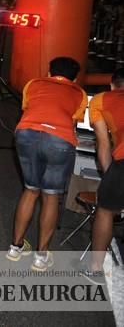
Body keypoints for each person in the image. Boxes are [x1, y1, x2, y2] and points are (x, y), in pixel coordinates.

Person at [6, 57, 87, 271]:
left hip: (26, 133)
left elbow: (27, 108)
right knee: (51, 195)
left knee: (31, 190)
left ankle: (15, 248)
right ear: (75, 77)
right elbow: (74, 121)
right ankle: (40, 258)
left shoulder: (33, 83)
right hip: (59, 139)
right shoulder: (79, 93)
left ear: (49, 72)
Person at [85, 68, 124, 284]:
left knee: (105, 210)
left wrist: (110, 175)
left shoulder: (101, 99)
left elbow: (103, 143)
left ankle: (96, 268)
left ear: (112, 85)